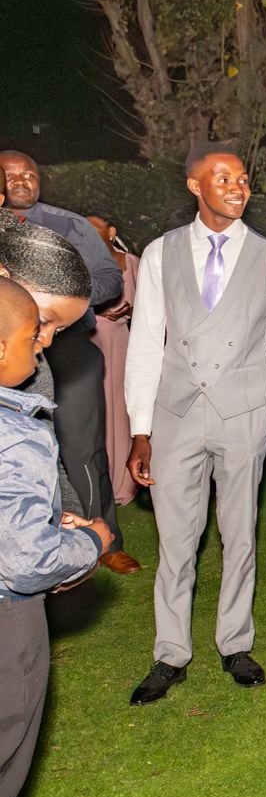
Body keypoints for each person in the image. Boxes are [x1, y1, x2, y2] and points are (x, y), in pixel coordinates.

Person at [122, 143, 266, 704]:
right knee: (176, 541)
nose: (236, 187)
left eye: (242, 178)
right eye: (222, 178)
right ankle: (170, 653)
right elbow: (145, 344)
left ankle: (235, 644)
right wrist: (141, 428)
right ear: (195, 186)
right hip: (175, 415)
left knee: (239, 534)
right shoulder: (160, 253)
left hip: (243, 414)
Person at [0, 275, 112, 797]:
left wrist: (41, 520)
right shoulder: (14, 434)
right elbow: (26, 561)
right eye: (34, 335)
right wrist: (89, 541)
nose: (42, 346)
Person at [0, 150, 135, 574]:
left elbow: (110, 280)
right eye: (10, 175)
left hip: (69, 345)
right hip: (11, 347)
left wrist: (60, 296)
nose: (21, 181)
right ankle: (37, 541)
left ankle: (103, 538)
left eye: (29, 174)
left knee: (79, 447)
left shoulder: (70, 223)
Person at [87, 215, 141, 505]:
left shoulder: (132, 262)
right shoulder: (79, 263)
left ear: (111, 232)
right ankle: (96, 481)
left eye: (94, 229)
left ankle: (123, 482)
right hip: (88, 340)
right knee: (94, 410)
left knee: (121, 409)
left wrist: (130, 312)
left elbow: (151, 303)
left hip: (122, 343)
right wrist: (93, 313)